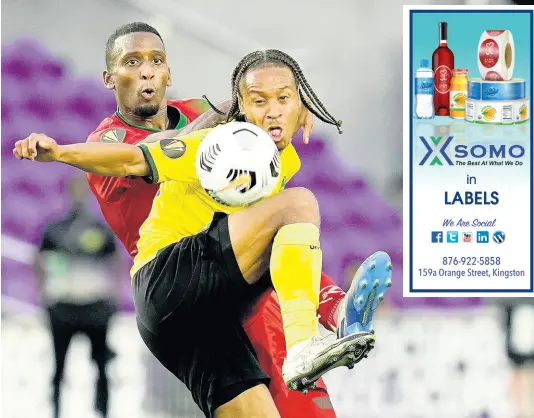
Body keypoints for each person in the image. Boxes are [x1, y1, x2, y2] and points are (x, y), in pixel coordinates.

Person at [15, 46, 393, 417]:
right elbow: (132, 158)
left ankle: (334, 310)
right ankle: (307, 341)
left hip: (202, 322)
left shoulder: (281, 161)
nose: (274, 110)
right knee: (300, 205)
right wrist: (61, 152)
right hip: (168, 279)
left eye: (284, 99)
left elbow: (282, 254)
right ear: (241, 107)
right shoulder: (217, 145)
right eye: (260, 101)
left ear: (302, 106)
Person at [33, 176, 121, 418]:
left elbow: (115, 262)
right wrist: (44, 295)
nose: (80, 195)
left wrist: (114, 296)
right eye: (76, 190)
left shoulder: (101, 229)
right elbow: (39, 261)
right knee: (59, 366)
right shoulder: (55, 229)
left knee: (102, 367)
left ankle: (103, 411)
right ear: (69, 193)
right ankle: (56, 411)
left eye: (84, 190)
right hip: (63, 306)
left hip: (96, 305)